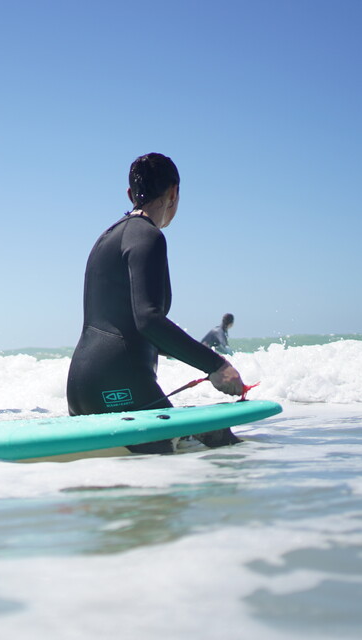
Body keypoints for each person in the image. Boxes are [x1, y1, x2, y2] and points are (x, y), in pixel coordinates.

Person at [66, 153, 246, 453]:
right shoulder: (148, 236)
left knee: (118, 488)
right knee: (202, 459)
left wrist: (194, 356)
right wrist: (216, 365)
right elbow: (148, 319)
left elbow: (128, 326)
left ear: (130, 194)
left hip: (81, 383)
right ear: (174, 192)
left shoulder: (107, 237)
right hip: (120, 380)